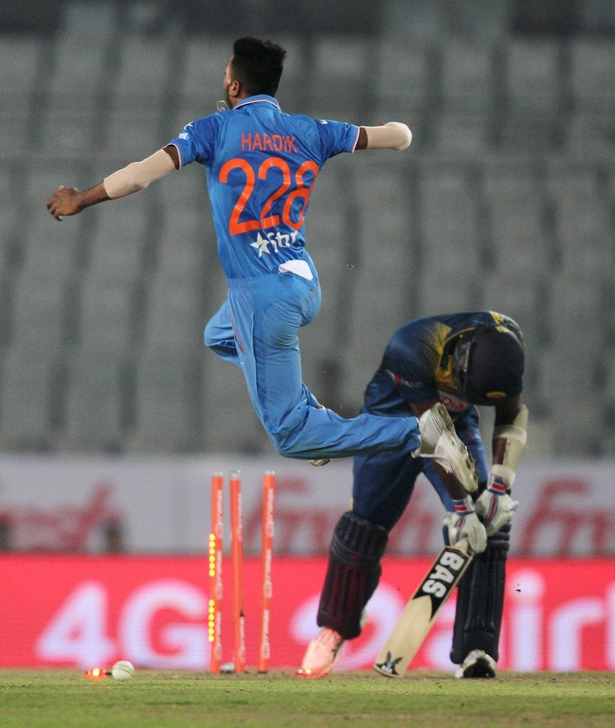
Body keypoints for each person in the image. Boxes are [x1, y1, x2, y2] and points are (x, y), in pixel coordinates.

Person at [45, 37, 478, 488]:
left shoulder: (213, 129)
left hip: (262, 293)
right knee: (218, 335)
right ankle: (314, 416)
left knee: (291, 438)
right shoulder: (313, 130)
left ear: (234, 87)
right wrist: (394, 131)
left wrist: (82, 198)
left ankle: (420, 433)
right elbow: (400, 137)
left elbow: (137, 176)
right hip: (304, 282)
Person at [297, 311, 528, 679]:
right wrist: (460, 508)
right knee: (363, 529)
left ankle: (478, 648)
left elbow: (511, 415)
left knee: (488, 528)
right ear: (457, 359)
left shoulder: (507, 344)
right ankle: (336, 627)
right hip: (388, 423)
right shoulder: (415, 345)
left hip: (455, 426)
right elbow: (432, 435)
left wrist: (499, 485)